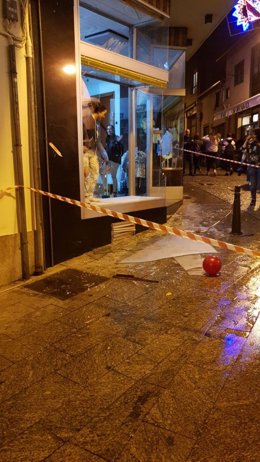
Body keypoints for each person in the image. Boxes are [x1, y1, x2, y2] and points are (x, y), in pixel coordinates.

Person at [82, 101, 109, 202]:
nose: (104, 116)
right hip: (85, 152)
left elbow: (97, 141)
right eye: (104, 113)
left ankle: (89, 195)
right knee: (87, 174)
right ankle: (85, 196)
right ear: (99, 112)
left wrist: (104, 154)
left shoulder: (96, 124)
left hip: (92, 152)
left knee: (95, 173)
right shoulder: (87, 120)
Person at [243, 128, 260, 210]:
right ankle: (253, 200)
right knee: (252, 185)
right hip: (252, 166)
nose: (252, 135)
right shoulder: (251, 143)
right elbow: (243, 148)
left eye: (253, 134)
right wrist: (247, 140)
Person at [104, 125, 123, 197]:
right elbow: (107, 148)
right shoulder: (107, 138)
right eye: (107, 129)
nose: (108, 131)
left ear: (113, 130)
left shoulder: (117, 138)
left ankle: (115, 192)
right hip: (109, 160)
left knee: (113, 176)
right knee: (104, 174)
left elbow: (118, 150)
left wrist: (116, 142)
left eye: (110, 129)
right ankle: (107, 191)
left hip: (115, 160)